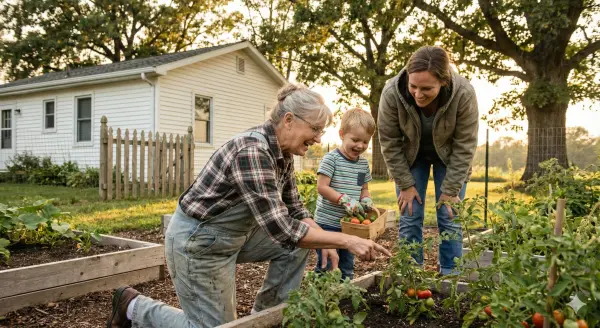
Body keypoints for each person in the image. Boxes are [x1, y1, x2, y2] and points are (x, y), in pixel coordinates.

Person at [107, 83, 391, 328]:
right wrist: (344, 240)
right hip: (198, 243)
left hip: (233, 237)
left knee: (296, 248)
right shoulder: (252, 152)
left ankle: (265, 317)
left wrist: (323, 240)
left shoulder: (282, 152)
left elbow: (295, 210)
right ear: (289, 120)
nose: (318, 138)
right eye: (315, 129)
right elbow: (282, 229)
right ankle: (133, 307)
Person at [377, 46, 479, 275]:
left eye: (426, 88)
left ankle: (451, 275)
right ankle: (412, 273)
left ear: (443, 82)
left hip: (450, 156)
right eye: (413, 86)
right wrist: (405, 184)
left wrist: (451, 190)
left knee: (449, 215)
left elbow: (465, 145)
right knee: (410, 213)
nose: (418, 94)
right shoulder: (392, 92)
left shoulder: (463, 93)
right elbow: (389, 141)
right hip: (411, 157)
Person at [313, 108, 377, 280]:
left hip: (350, 225)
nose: (360, 146)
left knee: (347, 265)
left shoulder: (363, 165)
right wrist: (343, 199)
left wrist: (365, 198)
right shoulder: (331, 159)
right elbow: (322, 187)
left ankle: (344, 295)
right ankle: (319, 296)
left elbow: (363, 188)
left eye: (365, 142)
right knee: (326, 264)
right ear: (342, 134)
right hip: (327, 224)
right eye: (355, 140)